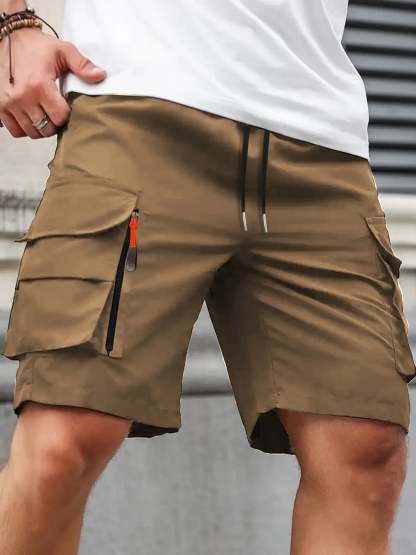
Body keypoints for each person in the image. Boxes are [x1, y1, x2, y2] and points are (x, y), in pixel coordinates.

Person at [0, 1, 415, 553]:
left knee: (365, 451)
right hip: (136, 107)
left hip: (321, 136)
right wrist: (11, 25)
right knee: (65, 436)